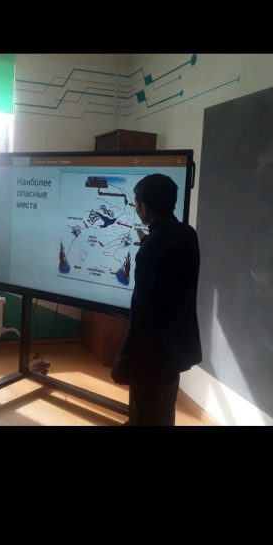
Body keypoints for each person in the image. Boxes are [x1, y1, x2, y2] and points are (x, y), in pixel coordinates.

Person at [111, 173, 202, 425]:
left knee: (145, 410)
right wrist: (148, 244)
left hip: (151, 352)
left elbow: (142, 310)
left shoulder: (150, 250)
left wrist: (124, 357)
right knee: (164, 406)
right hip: (177, 346)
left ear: (143, 207)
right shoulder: (187, 234)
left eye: (136, 204)